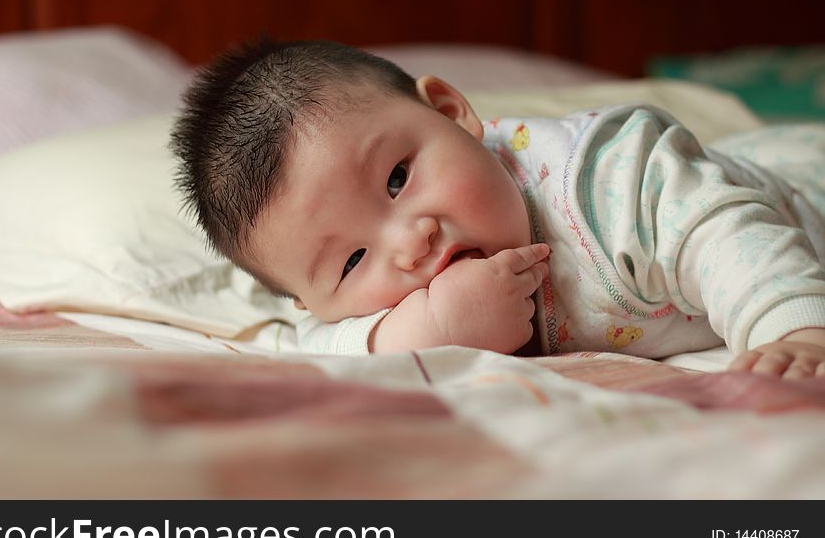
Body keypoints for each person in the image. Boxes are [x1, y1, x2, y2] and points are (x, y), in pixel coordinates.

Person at [170, 37, 825, 379]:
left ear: (452, 114)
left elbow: (718, 230)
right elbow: (323, 353)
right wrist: (433, 325)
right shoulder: (342, 317)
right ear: (310, 301)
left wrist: (790, 327)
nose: (411, 242)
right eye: (353, 260)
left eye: (398, 177)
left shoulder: (604, 182)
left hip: (799, 191)